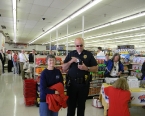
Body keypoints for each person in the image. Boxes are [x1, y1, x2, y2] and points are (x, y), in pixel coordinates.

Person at [62, 37, 98, 116]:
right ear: (75, 45)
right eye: (77, 45)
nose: (79, 47)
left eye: (81, 45)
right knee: (71, 105)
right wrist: (71, 61)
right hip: (71, 84)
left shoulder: (88, 55)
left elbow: (96, 68)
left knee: (81, 106)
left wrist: (86, 68)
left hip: (83, 84)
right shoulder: (71, 54)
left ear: (83, 45)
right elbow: (64, 68)